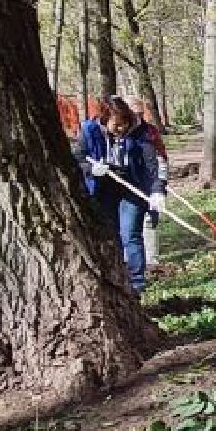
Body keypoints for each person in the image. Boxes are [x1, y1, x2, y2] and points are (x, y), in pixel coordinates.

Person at [77, 95, 168, 293]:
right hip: (104, 188)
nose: (121, 128)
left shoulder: (142, 132)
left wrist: (158, 191)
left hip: (132, 186)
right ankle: (116, 277)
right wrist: (91, 169)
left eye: (124, 123)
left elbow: (153, 163)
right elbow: (78, 159)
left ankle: (137, 283)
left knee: (130, 233)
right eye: (116, 124)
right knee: (110, 234)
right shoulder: (89, 131)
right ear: (104, 119)